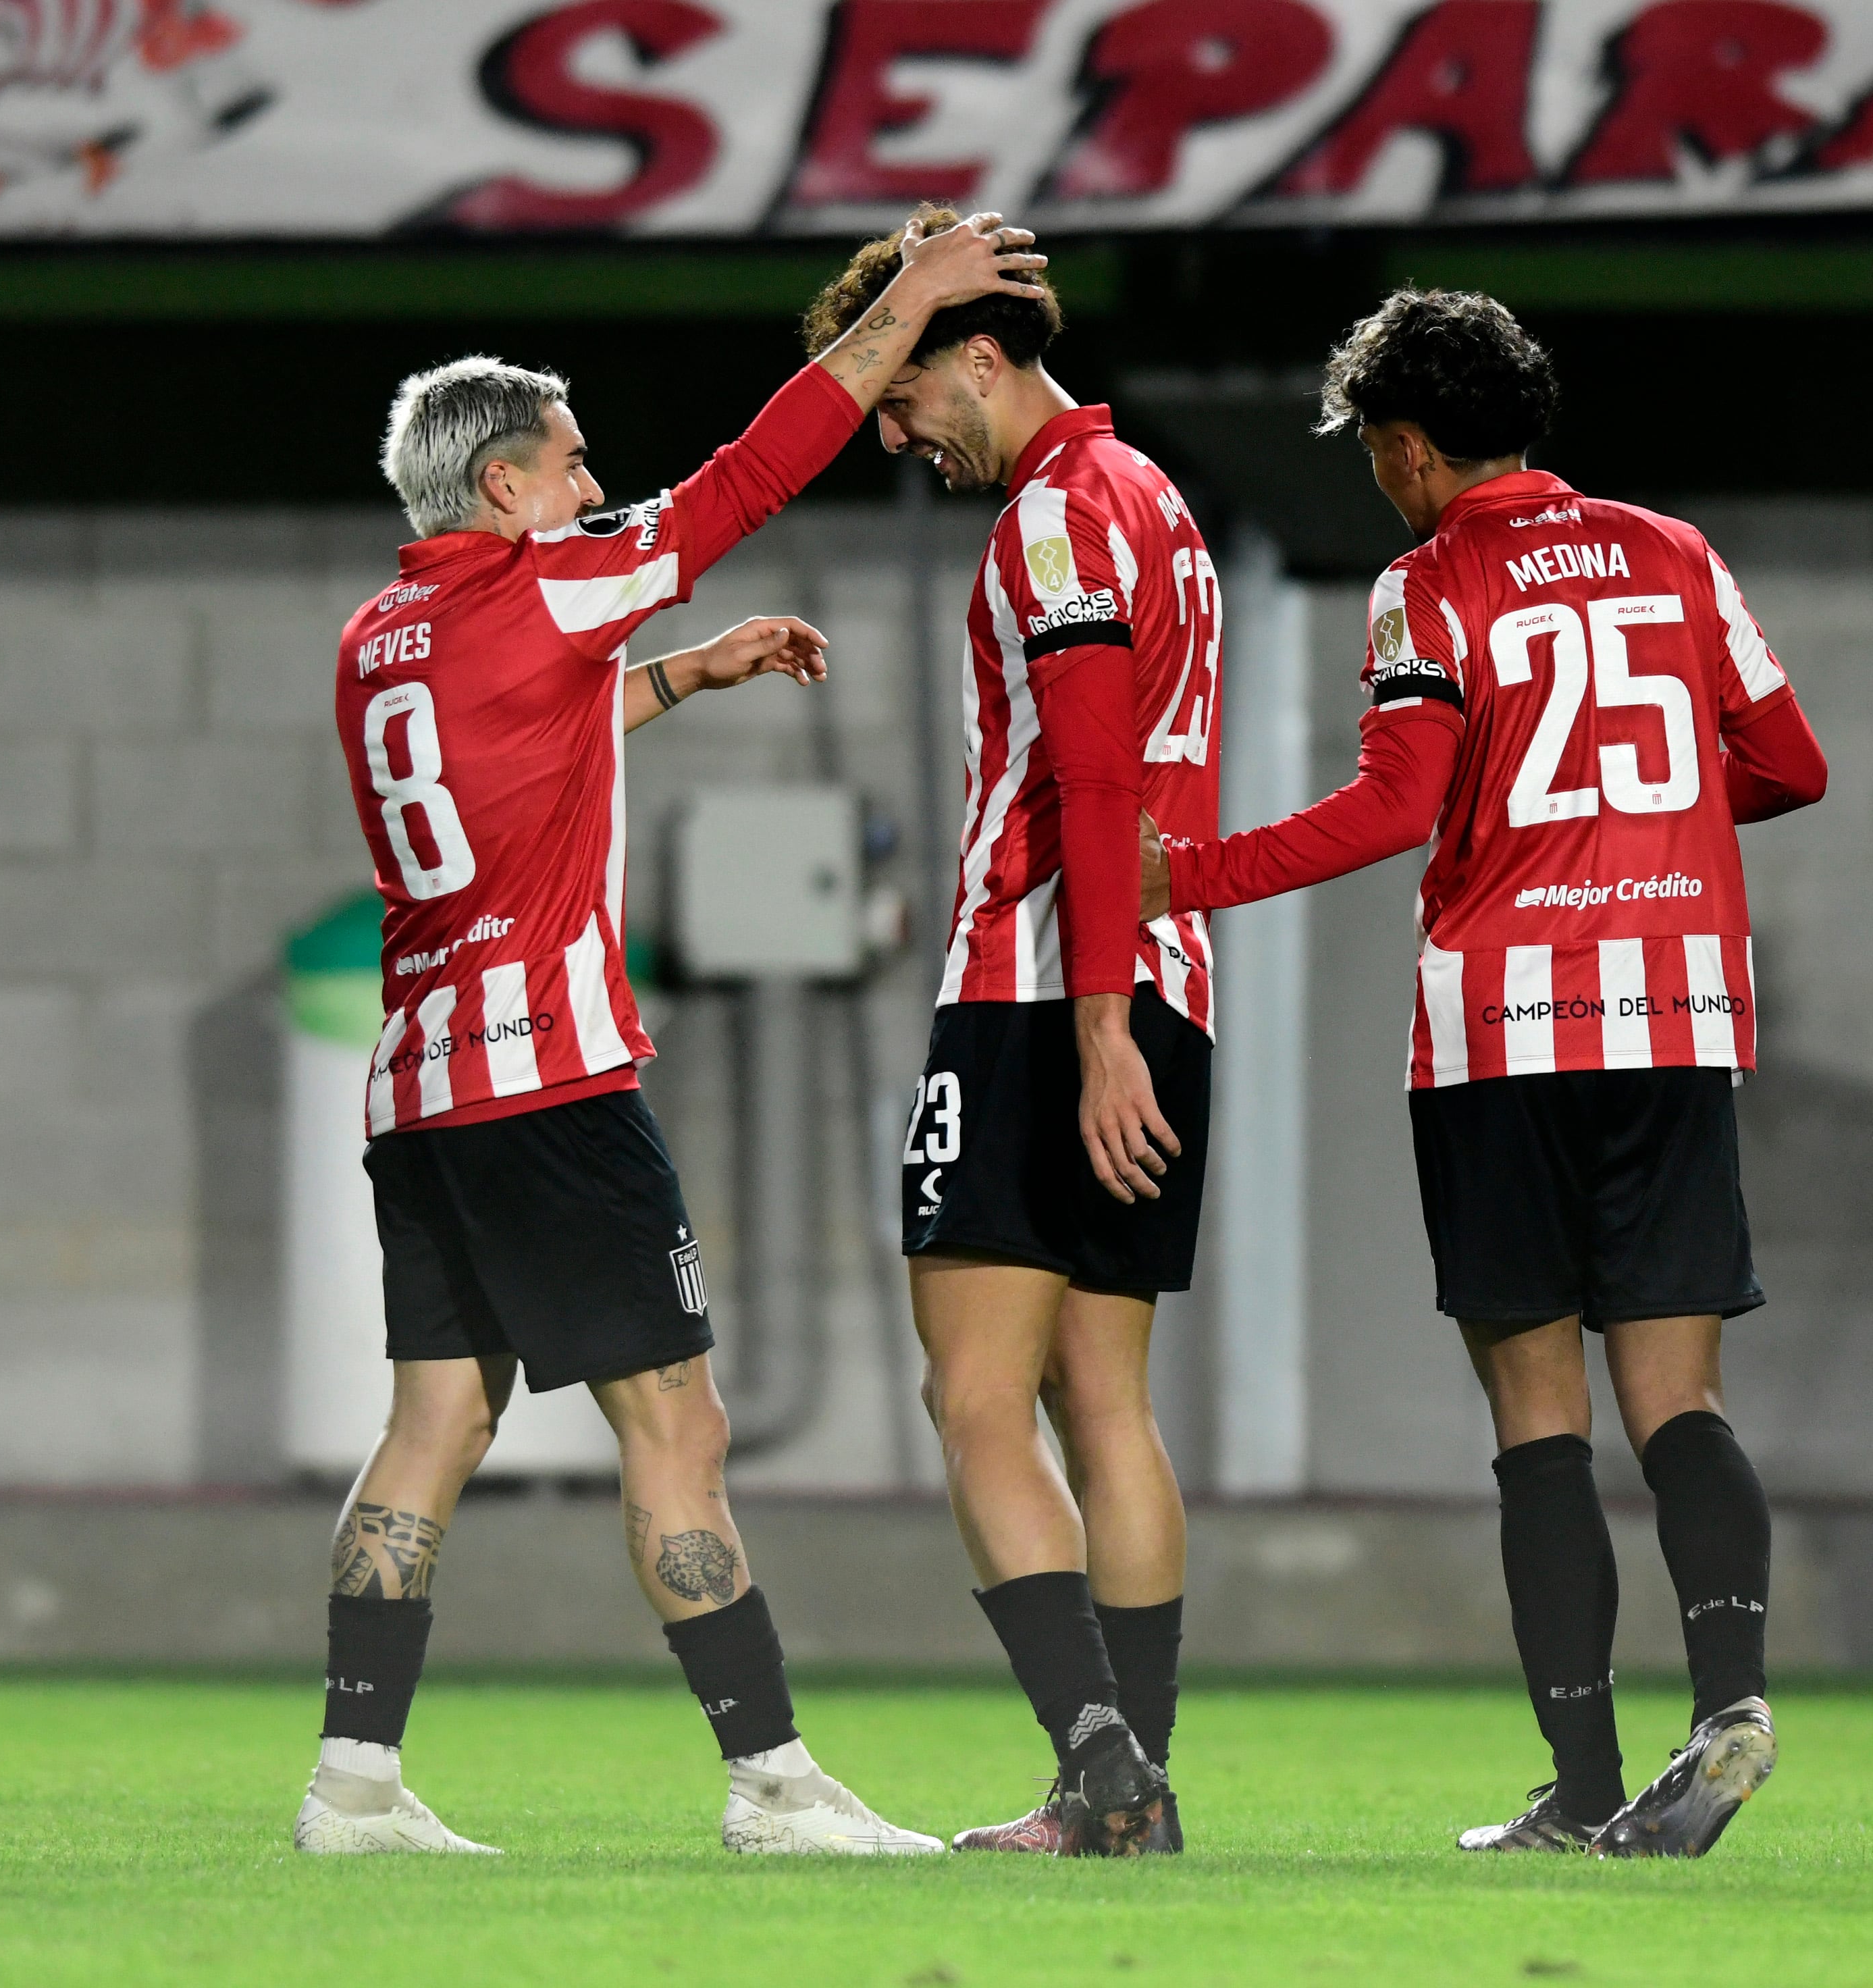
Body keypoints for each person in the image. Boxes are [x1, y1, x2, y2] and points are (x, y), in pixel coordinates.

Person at [297, 213, 1049, 1858]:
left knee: (434, 1419)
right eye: (571, 465)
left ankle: (351, 1781)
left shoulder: (379, 640)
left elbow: (517, 747)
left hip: (417, 1082)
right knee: (679, 1425)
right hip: (547, 1081)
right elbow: (740, 481)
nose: (592, 486)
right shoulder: (544, 582)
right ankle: (771, 1778)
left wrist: (678, 678)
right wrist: (906, 307)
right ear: (503, 487)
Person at [1142, 288, 1823, 1859]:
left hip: (1503, 1038)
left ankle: (1584, 1790)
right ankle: (1729, 1697)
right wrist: (1642, 835)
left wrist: (1198, 873)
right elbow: (1791, 764)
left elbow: (1394, 807)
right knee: (1679, 1396)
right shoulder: (1675, 551)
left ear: (1403, 445)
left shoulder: (1430, 580)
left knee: (1537, 1418)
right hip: (1673, 1016)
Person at [810, 207, 1219, 1858]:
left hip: (1042, 992)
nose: (896, 437)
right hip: (1163, 980)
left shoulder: (1054, 516)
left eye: (904, 402)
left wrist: (1095, 1025)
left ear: (978, 353)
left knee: (974, 1396)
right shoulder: (1162, 501)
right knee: (1104, 1401)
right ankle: (1135, 1789)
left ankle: (1094, 1762)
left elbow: (1101, 775)